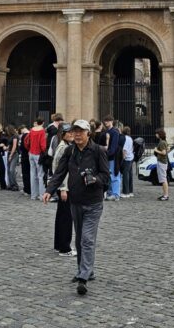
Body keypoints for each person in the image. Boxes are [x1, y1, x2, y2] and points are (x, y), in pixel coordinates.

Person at [44, 119, 109, 296]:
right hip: (76, 202)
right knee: (80, 238)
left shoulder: (98, 151)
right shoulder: (69, 151)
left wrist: (95, 180)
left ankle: (83, 277)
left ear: (89, 133)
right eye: (75, 131)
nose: (77, 134)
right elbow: (60, 173)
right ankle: (86, 270)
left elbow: (106, 176)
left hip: (94, 203)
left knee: (87, 239)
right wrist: (50, 190)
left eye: (81, 131)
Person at [51, 125, 76, 255]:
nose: (72, 134)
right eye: (69, 132)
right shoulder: (64, 148)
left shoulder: (65, 146)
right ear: (63, 134)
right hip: (64, 186)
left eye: (72, 132)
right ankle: (65, 247)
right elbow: (60, 170)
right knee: (66, 217)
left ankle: (59, 244)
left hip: (63, 186)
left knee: (61, 216)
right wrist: (63, 188)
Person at [153, 128, 170, 200]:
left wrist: (156, 150)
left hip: (162, 162)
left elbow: (164, 153)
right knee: (163, 179)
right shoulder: (164, 142)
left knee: (163, 179)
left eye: (156, 133)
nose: (155, 135)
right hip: (163, 162)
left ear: (159, 134)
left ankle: (166, 195)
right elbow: (168, 148)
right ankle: (165, 194)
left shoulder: (162, 142)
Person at [120, 126, 135, 198]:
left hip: (126, 158)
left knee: (125, 176)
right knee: (130, 175)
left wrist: (123, 158)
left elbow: (124, 150)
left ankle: (125, 192)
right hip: (131, 158)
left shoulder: (125, 138)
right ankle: (130, 191)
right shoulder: (130, 138)